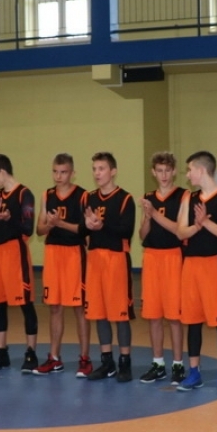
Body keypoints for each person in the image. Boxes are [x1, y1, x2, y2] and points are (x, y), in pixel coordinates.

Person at [175, 151, 217, 393]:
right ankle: (194, 372)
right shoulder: (188, 198)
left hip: (215, 265)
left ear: (201, 170)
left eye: (190, 170)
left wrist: (206, 223)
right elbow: (180, 232)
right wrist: (196, 226)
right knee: (192, 320)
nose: (188, 175)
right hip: (191, 265)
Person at [0, 154, 40, 372]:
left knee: (25, 303)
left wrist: (8, 218)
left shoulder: (24, 194)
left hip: (15, 252)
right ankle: (0, 353)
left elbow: (28, 228)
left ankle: (31, 353)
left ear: (2, 171)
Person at [35, 154, 91, 377]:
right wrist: (50, 225)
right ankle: (54, 358)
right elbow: (39, 230)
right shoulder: (47, 195)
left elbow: (84, 229)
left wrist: (60, 223)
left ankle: (84, 358)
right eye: (55, 172)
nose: (59, 176)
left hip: (74, 254)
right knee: (55, 307)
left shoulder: (83, 196)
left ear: (72, 173)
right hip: (53, 254)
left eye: (63, 172)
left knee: (79, 308)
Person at [82, 152, 137, 382]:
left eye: (101, 168)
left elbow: (126, 230)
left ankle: (125, 362)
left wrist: (101, 225)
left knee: (120, 314)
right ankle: (107, 362)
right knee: (99, 312)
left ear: (113, 171)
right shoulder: (89, 198)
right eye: (94, 169)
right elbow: (82, 230)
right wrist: (86, 226)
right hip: (95, 259)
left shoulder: (125, 199)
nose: (97, 173)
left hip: (116, 259)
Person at [138, 151, 187, 384]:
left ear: (174, 171)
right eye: (160, 171)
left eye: (168, 170)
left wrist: (155, 214)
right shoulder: (149, 197)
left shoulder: (183, 196)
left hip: (173, 257)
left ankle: (178, 364)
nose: (164, 175)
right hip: (151, 257)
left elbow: (179, 230)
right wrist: (148, 217)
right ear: (153, 172)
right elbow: (142, 235)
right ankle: (158, 363)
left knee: (174, 316)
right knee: (153, 315)